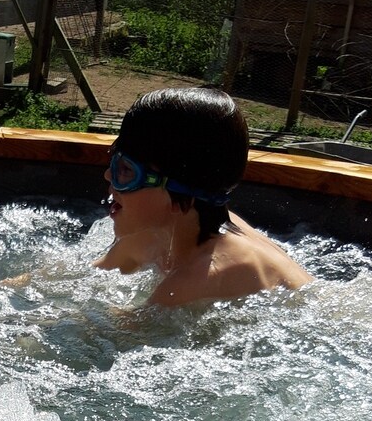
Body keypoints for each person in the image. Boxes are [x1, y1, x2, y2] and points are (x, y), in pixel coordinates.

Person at [94, 86, 310, 305]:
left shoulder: (199, 277)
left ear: (180, 197)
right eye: (115, 160)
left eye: (126, 170)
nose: (108, 175)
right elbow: (94, 274)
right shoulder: (166, 228)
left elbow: (116, 335)